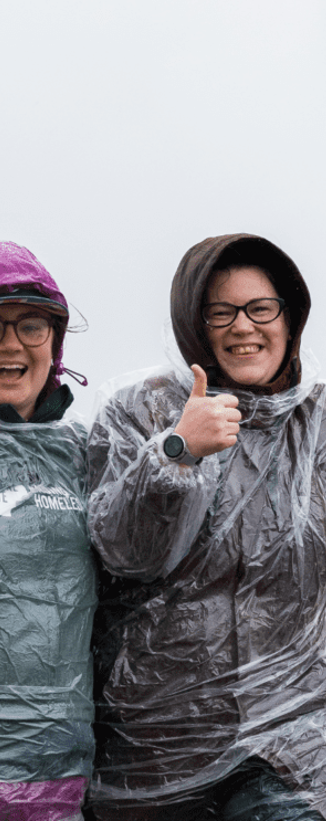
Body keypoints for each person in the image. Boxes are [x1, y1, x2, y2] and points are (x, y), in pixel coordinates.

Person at [86, 234, 326, 821]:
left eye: (260, 308)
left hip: (292, 743)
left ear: (290, 317)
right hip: (156, 748)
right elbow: (124, 553)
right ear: (195, 324)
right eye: (220, 312)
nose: (243, 327)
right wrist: (175, 453)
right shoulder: (137, 412)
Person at [0, 241, 96, 820]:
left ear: (54, 345)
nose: (10, 343)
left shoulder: (87, 456)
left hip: (60, 775)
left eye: (31, 326)